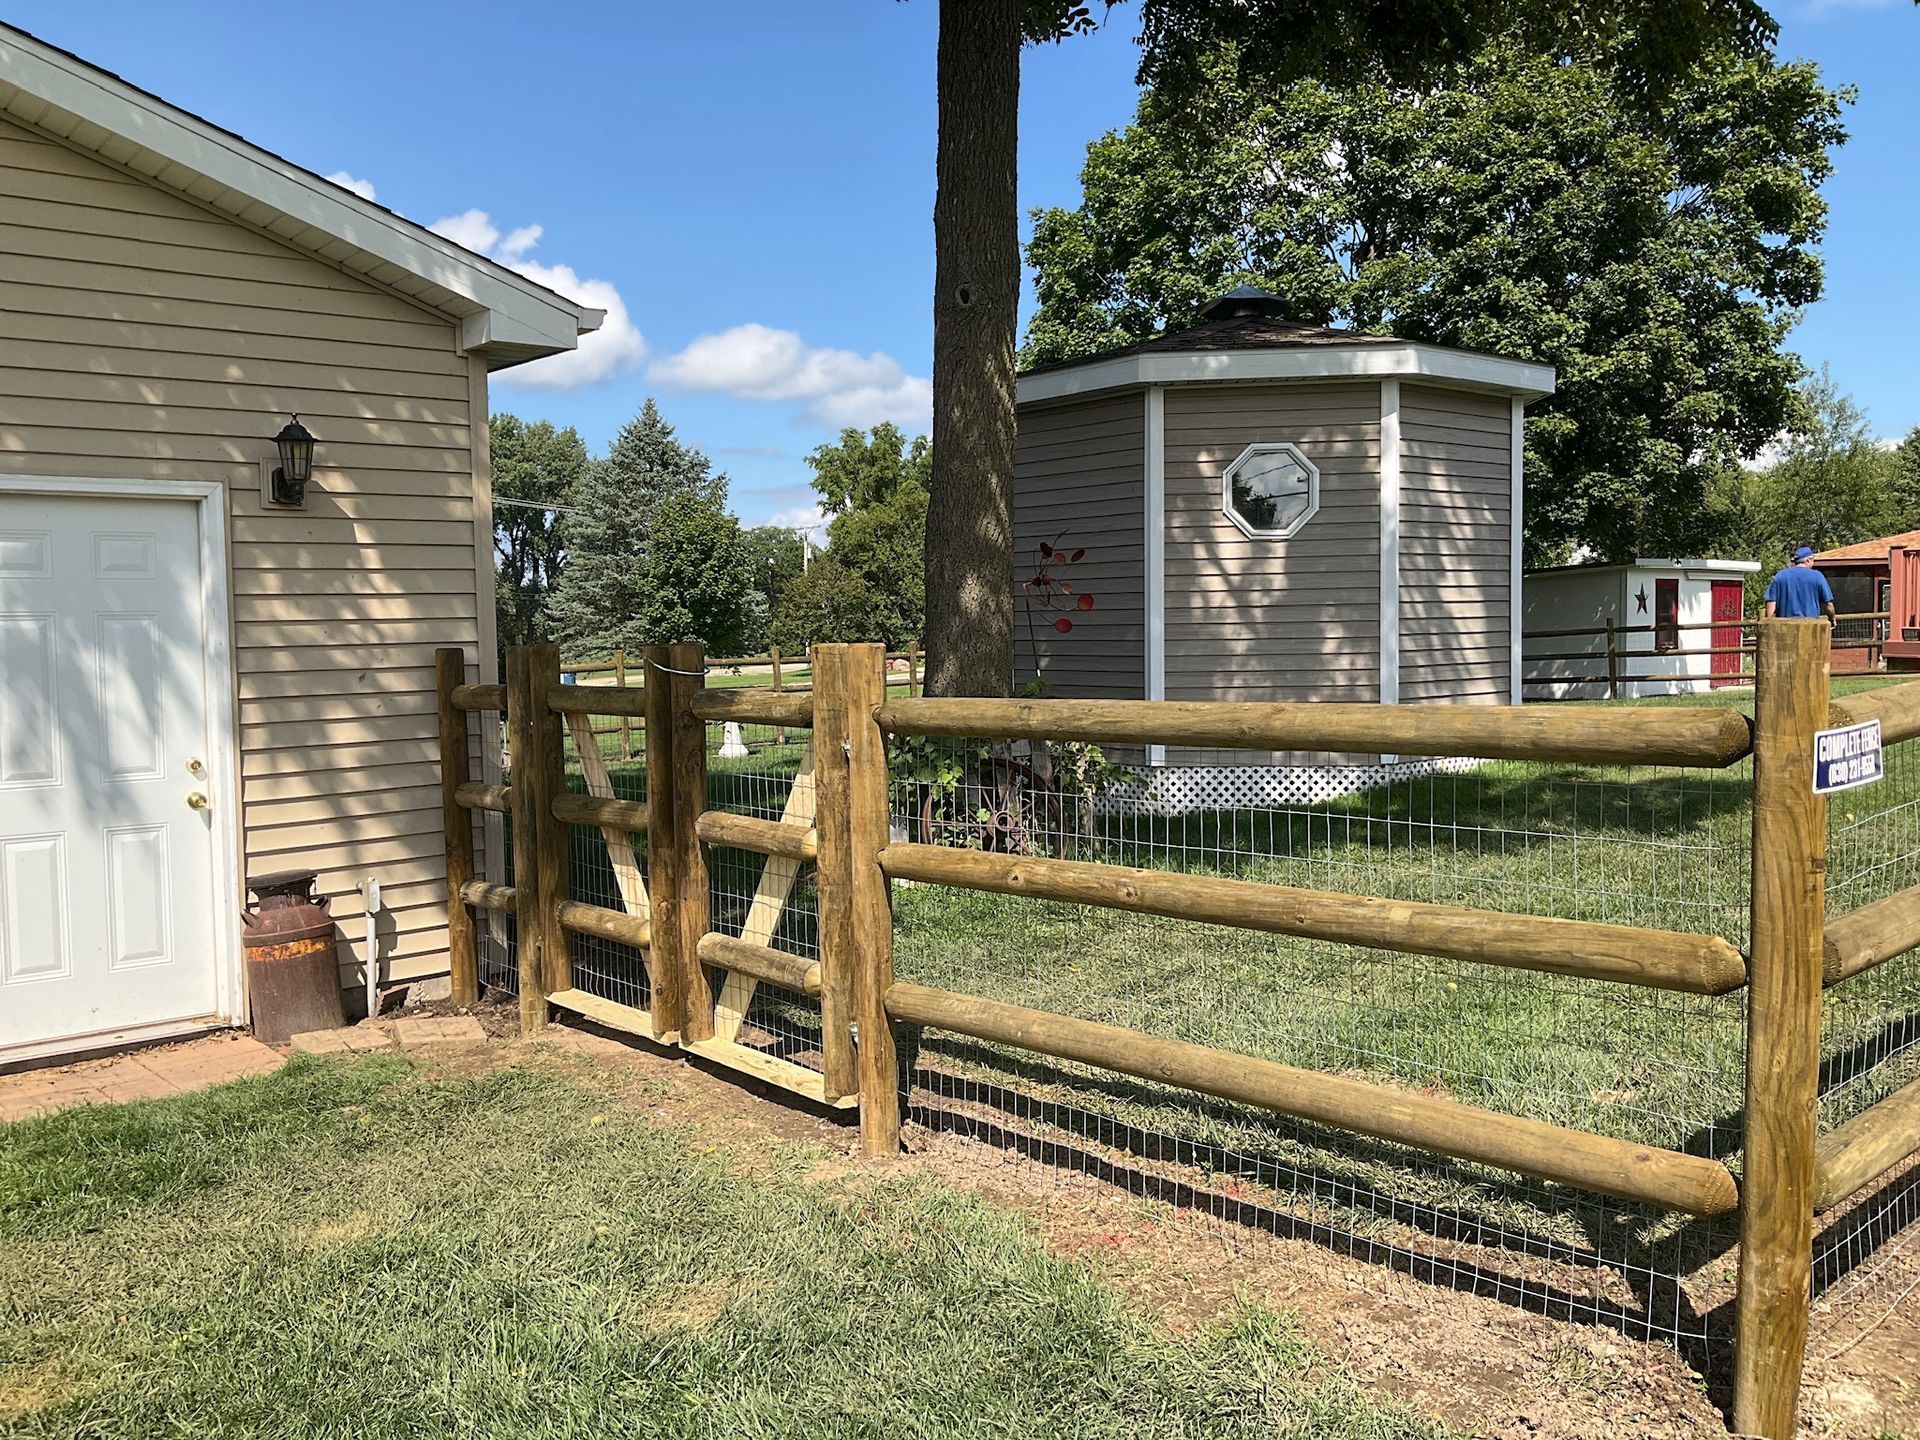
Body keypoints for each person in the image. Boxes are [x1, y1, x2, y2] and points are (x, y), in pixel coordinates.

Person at [1764, 546, 1836, 625]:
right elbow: (1829, 605)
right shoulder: (1817, 576)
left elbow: (1771, 602)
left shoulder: (1780, 576)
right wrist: (1832, 620)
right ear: (1808, 560)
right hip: (1810, 627)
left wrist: (1768, 624)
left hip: (1785, 628)